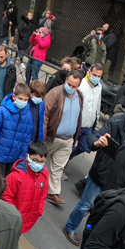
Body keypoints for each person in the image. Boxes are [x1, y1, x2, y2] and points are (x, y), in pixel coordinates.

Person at [60, 94, 125, 249]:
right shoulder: (116, 122)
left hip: (120, 181)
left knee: (104, 210)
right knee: (85, 205)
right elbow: (94, 136)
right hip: (101, 174)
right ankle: (70, 227)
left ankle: (93, 237)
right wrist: (96, 142)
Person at [43, 70, 84, 205]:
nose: (71, 87)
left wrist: (75, 137)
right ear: (66, 80)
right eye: (69, 84)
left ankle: (53, 193)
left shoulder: (79, 96)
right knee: (37, 160)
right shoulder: (55, 93)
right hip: (52, 138)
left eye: (74, 86)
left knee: (58, 167)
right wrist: (42, 137)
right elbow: (45, 115)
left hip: (68, 140)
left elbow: (78, 117)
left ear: (79, 86)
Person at [0, 82, 36, 176]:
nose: (23, 102)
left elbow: (26, 140)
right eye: (20, 98)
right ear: (14, 97)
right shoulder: (1, 111)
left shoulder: (28, 116)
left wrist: (22, 159)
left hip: (15, 158)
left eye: (25, 100)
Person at [1, 141, 49, 233]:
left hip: (28, 219)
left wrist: (39, 210)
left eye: (42, 162)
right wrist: (13, 214)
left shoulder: (44, 173)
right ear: (28, 157)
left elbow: (43, 193)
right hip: (12, 219)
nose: (38, 164)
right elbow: (6, 197)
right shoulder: (15, 177)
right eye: (35, 160)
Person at [68, 63, 103, 161]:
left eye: (99, 76)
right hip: (77, 124)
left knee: (83, 147)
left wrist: (95, 121)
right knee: (68, 146)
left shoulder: (99, 87)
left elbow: (97, 104)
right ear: (89, 72)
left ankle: (67, 158)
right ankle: (63, 165)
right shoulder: (81, 85)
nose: (96, 78)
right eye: (94, 75)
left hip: (88, 126)